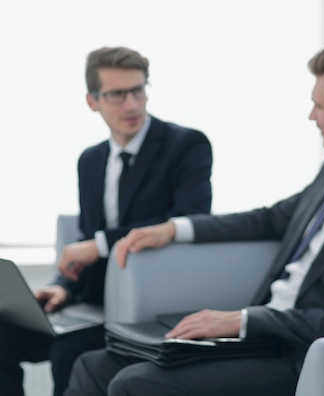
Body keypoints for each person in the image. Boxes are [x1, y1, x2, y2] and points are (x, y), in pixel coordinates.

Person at [64, 42, 324, 396]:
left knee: (134, 384)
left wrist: (242, 320)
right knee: (92, 366)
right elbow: (271, 219)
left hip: (297, 354)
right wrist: (174, 228)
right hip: (263, 333)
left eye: (318, 106)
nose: (311, 116)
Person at [0, 46, 213, 396]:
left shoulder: (185, 145)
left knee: (68, 351)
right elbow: (86, 241)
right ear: (92, 100)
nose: (131, 105)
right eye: (117, 94)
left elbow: (188, 219)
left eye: (138, 90)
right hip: (91, 305)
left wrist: (98, 244)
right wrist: (63, 288)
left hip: (147, 307)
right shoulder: (91, 161)